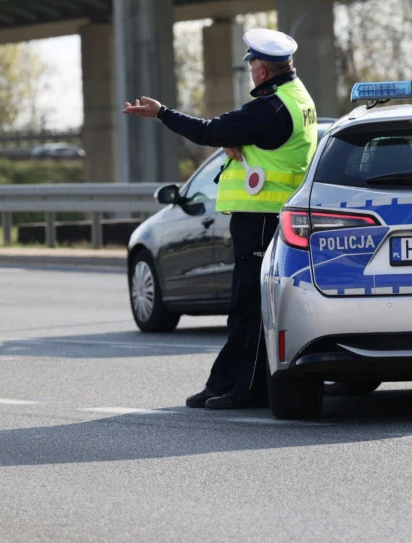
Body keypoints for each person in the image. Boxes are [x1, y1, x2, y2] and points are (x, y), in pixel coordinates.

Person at [122, 28, 318, 409]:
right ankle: (223, 382)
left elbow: (208, 131)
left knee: (249, 307)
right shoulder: (298, 98)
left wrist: (161, 113)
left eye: (252, 65)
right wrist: (242, 138)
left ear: (262, 70)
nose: (250, 71)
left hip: (261, 216)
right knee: (246, 306)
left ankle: (246, 390)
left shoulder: (270, 107)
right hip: (271, 216)